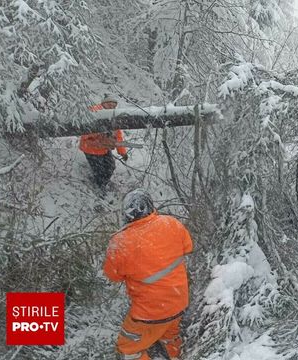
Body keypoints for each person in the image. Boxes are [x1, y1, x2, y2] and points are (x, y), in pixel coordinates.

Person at [103, 189, 193, 360]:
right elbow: (187, 247)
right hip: (179, 301)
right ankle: (176, 353)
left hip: (149, 313)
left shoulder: (120, 242)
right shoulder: (172, 223)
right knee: (170, 333)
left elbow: (113, 275)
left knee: (127, 350)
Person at [79, 94, 128, 189]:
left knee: (110, 167)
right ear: (104, 103)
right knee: (99, 171)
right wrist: (101, 132)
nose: (112, 107)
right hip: (90, 148)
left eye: (114, 105)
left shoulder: (112, 116)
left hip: (104, 148)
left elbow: (118, 136)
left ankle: (102, 184)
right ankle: (98, 187)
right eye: (110, 104)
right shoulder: (94, 112)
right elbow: (85, 134)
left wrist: (123, 152)